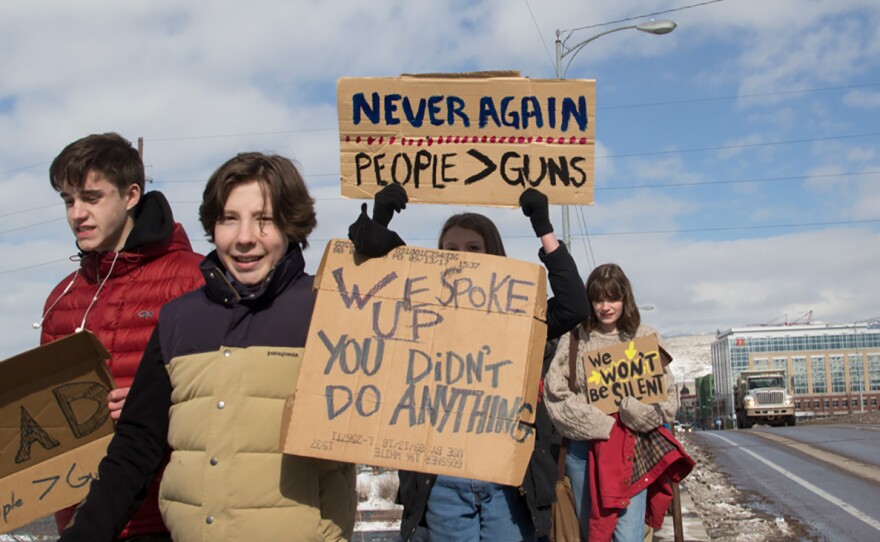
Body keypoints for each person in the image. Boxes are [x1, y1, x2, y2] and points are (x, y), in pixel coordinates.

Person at [58, 152, 357, 542]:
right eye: (229, 219)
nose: (244, 237)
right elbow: (136, 446)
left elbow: (396, 397)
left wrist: (381, 261)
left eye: (264, 220)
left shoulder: (328, 308)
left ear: (291, 223)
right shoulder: (180, 319)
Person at [349, 184, 588, 542]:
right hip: (443, 478)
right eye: (451, 250)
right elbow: (360, 292)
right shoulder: (421, 309)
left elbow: (573, 306)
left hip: (507, 479)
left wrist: (543, 227)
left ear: (493, 254)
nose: (462, 257)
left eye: (473, 249)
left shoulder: (519, 313)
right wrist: (379, 221)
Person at [36, 132, 204, 540]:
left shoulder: (193, 279)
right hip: (83, 525)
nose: (77, 213)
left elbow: (228, 397)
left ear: (131, 195)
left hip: (169, 520)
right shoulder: (61, 300)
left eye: (92, 198)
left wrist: (161, 404)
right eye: (67, 200)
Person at [543, 263, 695, 541]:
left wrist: (635, 413)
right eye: (598, 299)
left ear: (625, 298)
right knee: (591, 532)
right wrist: (599, 422)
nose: (605, 306)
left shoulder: (644, 336)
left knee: (628, 535)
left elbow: (668, 400)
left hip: (631, 451)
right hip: (583, 450)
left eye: (612, 298)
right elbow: (555, 395)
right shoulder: (575, 337)